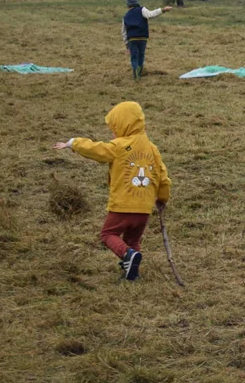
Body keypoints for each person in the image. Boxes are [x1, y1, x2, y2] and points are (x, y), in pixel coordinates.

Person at [53, 101, 171, 281]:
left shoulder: (119, 146)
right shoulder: (152, 149)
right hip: (144, 209)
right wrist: (162, 198)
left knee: (108, 234)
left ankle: (128, 256)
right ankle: (132, 272)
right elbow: (162, 176)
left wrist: (73, 143)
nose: (113, 132)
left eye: (115, 127)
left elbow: (97, 150)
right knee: (133, 241)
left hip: (123, 205)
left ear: (125, 125)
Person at [122, 0, 172, 80]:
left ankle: (135, 73)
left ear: (127, 4)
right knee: (141, 55)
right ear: (137, 2)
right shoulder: (142, 10)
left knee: (134, 56)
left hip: (132, 39)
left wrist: (127, 44)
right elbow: (151, 14)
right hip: (142, 38)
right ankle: (139, 72)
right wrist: (163, 10)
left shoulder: (125, 16)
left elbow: (123, 31)